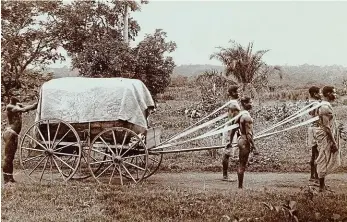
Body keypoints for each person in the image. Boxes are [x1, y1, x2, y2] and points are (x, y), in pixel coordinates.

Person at [2, 97, 38, 183]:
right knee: (8, 158)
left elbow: (28, 106)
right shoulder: (10, 107)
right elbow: (24, 109)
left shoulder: (18, 104)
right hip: (10, 133)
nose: (17, 97)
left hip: (14, 134)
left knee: (11, 157)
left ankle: (10, 178)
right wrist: (34, 105)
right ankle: (6, 179)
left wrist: (35, 104)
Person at [315, 86, 341, 192]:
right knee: (323, 159)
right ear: (328, 93)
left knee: (325, 158)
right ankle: (321, 187)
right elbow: (326, 127)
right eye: (334, 93)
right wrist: (333, 142)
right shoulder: (324, 107)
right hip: (325, 136)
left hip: (326, 135)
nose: (335, 95)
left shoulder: (325, 105)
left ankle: (323, 185)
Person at [234, 96, 256, 189]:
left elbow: (235, 128)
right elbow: (249, 135)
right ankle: (240, 187)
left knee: (241, 163)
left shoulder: (240, 115)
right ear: (244, 104)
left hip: (240, 140)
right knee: (242, 164)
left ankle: (240, 186)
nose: (251, 104)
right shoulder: (246, 117)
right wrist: (255, 147)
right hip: (245, 141)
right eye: (250, 102)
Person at [221, 85, 241, 181]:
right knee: (227, 152)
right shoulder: (234, 105)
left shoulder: (233, 103)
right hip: (230, 129)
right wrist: (233, 134)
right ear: (232, 93)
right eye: (237, 92)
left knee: (228, 152)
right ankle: (225, 176)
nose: (238, 93)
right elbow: (234, 121)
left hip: (231, 129)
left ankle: (226, 175)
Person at [307, 86, 321, 182]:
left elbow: (310, 114)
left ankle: (313, 175)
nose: (320, 94)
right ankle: (316, 176)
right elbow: (317, 115)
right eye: (319, 93)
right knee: (317, 153)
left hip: (312, 128)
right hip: (316, 129)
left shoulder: (310, 102)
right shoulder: (316, 103)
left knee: (314, 153)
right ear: (315, 94)